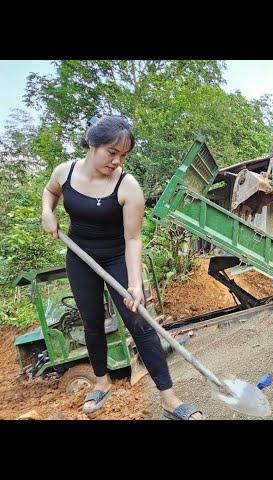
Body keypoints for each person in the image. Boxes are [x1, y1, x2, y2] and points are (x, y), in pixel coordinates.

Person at [41, 115, 203, 420]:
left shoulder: (128, 187)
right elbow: (50, 192)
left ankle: (169, 399)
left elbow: (132, 240)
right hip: (80, 257)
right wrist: (47, 212)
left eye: (123, 155)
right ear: (91, 144)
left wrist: (135, 284)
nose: (117, 161)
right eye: (111, 153)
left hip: (116, 256)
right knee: (91, 323)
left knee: (139, 322)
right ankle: (101, 383)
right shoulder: (65, 172)